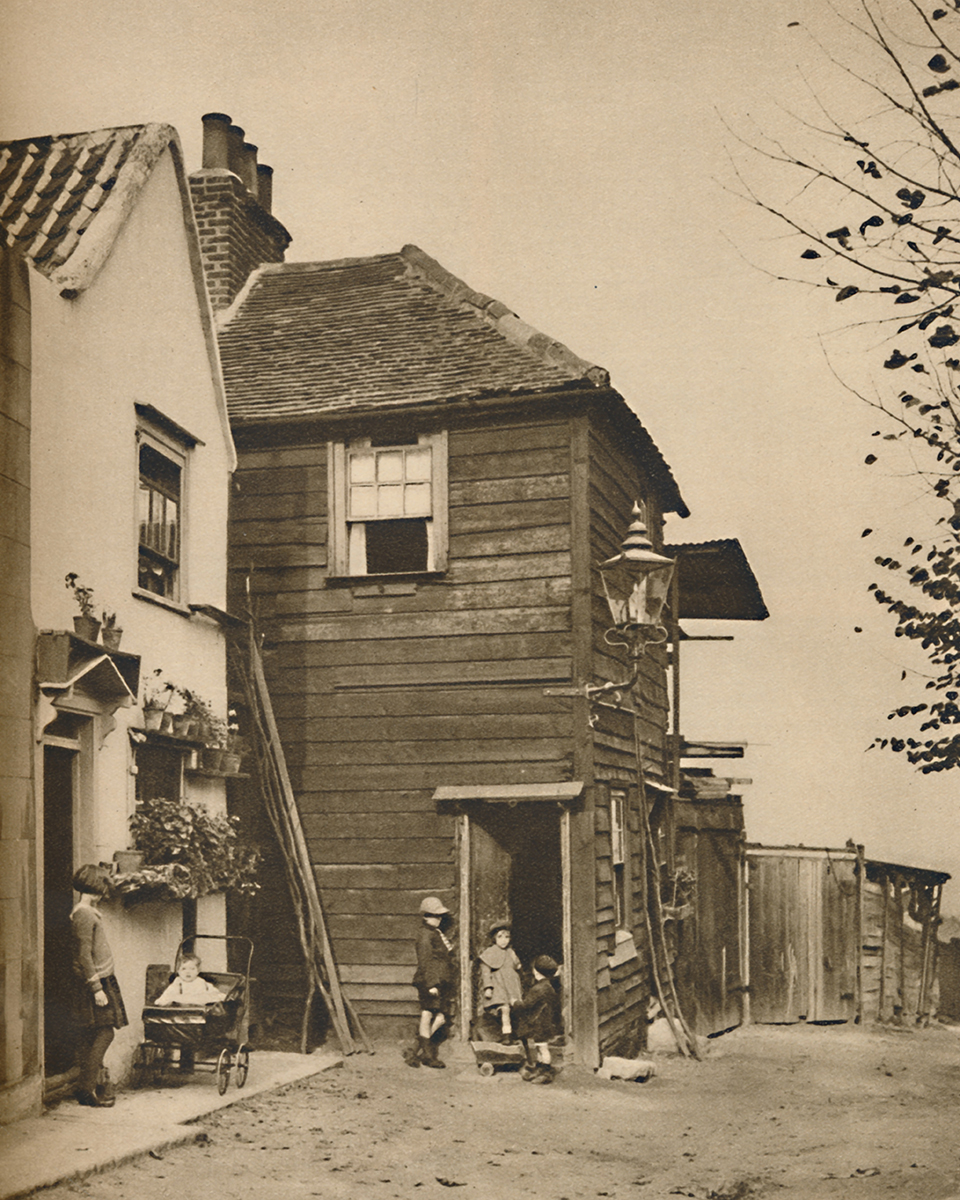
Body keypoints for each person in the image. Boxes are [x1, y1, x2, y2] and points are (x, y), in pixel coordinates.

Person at [70, 863, 128, 1107]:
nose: (105, 891)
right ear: (95, 886)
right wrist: (96, 989)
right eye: (103, 885)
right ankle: (86, 1089)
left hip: (102, 979)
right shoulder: (84, 914)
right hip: (94, 981)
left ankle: (89, 1086)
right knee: (104, 1033)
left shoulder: (89, 912)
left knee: (94, 1034)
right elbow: (84, 955)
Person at [405, 896, 455, 1069]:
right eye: (435, 915)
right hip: (430, 981)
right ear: (426, 916)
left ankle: (414, 1050)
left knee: (440, 1018)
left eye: (440, 916)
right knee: (427, 1014)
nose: (439, 919)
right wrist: (431, 984)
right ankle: (428, 1055)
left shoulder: (436, 933)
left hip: (441, 981)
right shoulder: (425, 936)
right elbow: (425, 961)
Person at [511, 954, 561, 1084]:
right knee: (539, 1047)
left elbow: (526, 1005)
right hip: (545, 1022)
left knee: (543, 1048)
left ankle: (546, 1071)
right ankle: (540, 1068)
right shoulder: (549, 987)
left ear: (536, 971)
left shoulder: (537, 989)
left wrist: (515, 1003)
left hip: (539, 1024)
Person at [478, 921, 522, 1041]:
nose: (504, 940)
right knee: (504, 1009)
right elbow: (485, 972)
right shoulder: (490, 953)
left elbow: (517, 965)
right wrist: (488, 987)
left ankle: (513, 1034)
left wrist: (517, 964)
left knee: (513, 1010)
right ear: (494, 938)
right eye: (500, 937)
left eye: (507, 937)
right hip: (499, 985)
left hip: (511, 985)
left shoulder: (510, 952)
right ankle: (506, 1035)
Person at [153, 954, 223, 1006]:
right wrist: (162, 1001)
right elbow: (167, 994)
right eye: (183, 969)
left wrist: (219, 996)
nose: (188, 972)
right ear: (178, 971)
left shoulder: (201, 982)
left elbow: (215, 993)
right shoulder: (178, 983)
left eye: (192, 969)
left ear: (198, 971)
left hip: (199, 1006)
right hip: (183, 1007)